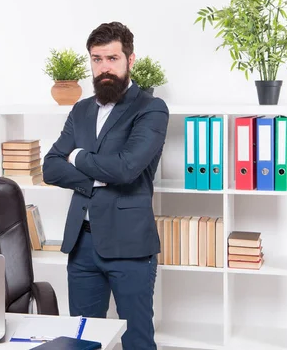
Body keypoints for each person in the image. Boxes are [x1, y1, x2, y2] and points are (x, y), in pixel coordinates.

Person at [42, 21, 169, 350]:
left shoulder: (150, 108)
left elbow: (127, 169)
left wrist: (80, 156)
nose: (104, 67)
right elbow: (51, 167)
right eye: (97, 59)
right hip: (82, 245)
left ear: (130, 59)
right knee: (81, 340)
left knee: (137, 341)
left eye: (112, 58)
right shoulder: (81, 109)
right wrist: (100, 173)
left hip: (130, 247)